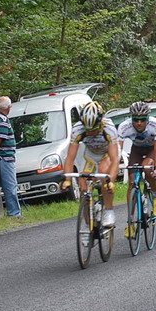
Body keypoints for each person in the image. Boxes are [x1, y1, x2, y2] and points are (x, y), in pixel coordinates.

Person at [62, 101, 120, 239]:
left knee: (104, 173)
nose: (91, 132)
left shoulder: (109, 128)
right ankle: (88, 226)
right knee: (83, 185)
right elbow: (70, 158)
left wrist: (111, 181)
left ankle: (109, 210)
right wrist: (67, 180)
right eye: (87, 129)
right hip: (91, 155)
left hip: (107, 153)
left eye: (94, 129)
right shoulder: (77, 130)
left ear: (100, 122)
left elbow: (115, 159)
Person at [117, 101, 156, 227]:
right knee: (132, 184)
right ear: (131, 118)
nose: (139, 123)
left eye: (142, 119)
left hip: (152, 149)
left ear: (147, 118)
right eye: (136, 119)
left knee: (147, 167)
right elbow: (117, 150)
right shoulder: (124, 126)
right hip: (136, 150)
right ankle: (131, 222)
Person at [0, 96, 22, 217]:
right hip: (4, 157)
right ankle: (14, 213)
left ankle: (11, 211)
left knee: (4, 185)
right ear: (8, 107)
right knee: (10, 186)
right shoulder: (2, 120)